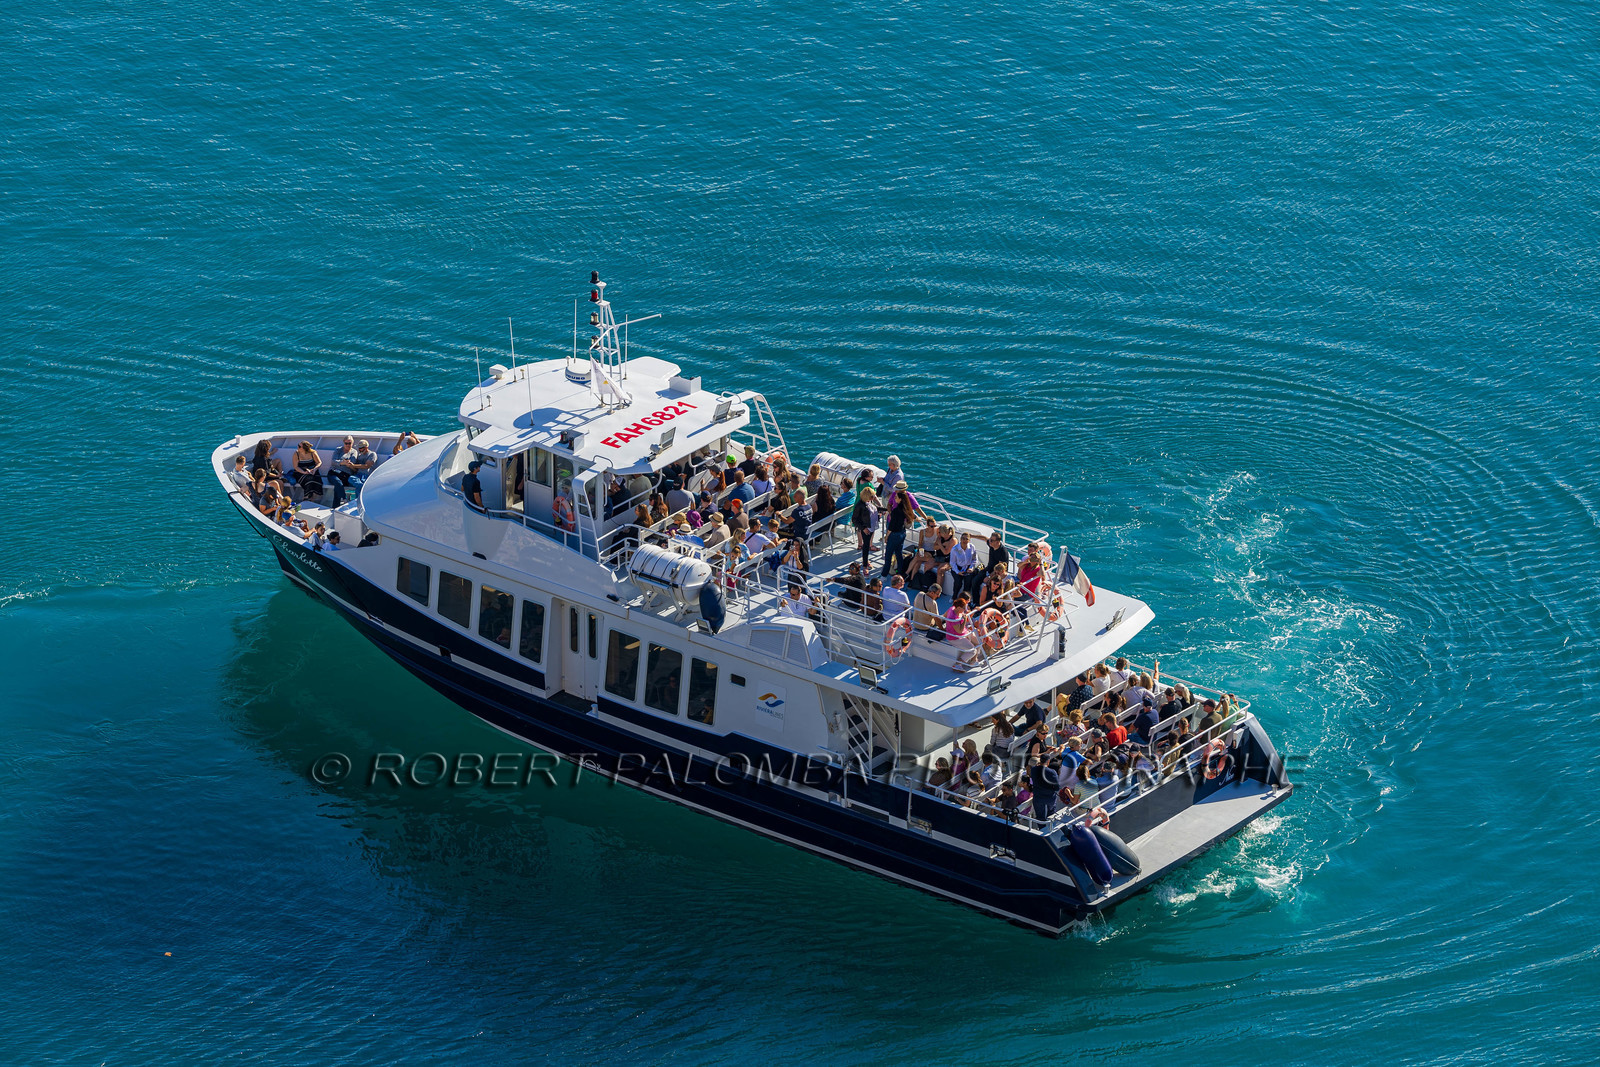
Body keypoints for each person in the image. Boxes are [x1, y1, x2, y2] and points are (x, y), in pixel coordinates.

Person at [880, 489, 917, 577]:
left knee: (888, 555)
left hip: (894, 535)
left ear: (900, 499)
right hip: (902, 533)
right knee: (899, 554)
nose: (895, 498)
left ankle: (884, 575)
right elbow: (913, 516)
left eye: (896, 497)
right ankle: (900, 572)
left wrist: (886, 536)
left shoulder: (896, 511)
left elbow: (891, 526)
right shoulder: (906, 509)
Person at [851, 486, 879, 570]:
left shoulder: (867, 503)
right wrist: (863, 528)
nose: (873, 498)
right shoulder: (860, 506)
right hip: (866, 528)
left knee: (867, 545)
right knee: (866, 546)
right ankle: (865, 564)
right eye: (872, 496)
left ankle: (865, 562)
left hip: (871, 527)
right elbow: (854, 519)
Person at [328, 436, 359, 505]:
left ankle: (335, 506)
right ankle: (344, 498)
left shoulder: (354, 452)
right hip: (334, 472)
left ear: (352, 443)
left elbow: (353, 462)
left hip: (345, 474)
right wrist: (343, 463)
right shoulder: (338, 450)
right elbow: (333, 461)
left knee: (338, 485)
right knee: (338, 483)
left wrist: (345, 463)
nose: (348, 445)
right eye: (346, 443)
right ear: (343, 443)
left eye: (349, 443)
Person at [949, 531, 979, 600]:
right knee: (958, 583)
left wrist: (971, 568)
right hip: (957, 568)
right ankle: (954, 596)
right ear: (960, 539)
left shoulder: (972, 547)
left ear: (969, 540)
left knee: (968, 583)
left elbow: (974, 559)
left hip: (968, 568)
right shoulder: (955, 549)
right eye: (963, 538)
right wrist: (958, 571)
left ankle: (964, 599)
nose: (964, 540)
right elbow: (952, 563)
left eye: (966, 539)